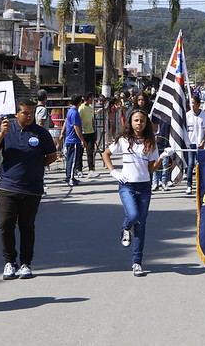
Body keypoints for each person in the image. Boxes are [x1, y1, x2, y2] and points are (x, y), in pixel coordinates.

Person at [0, 99, 57, 280]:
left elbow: (52, 156)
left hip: (32, 189)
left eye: (31, 113)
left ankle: (26, 263)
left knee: (27, 227)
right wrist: (1, 134)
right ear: (16, 114)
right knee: (5, 225)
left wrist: (35, 167)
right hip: (8, 187)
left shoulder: (41, 133)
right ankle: (9, 262)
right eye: (25, 112)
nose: (29, 116)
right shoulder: (6, 130)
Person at [102, 108, 162, 277]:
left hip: (144, 187)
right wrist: (113, 171)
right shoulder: (123, 139)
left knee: (141, 226)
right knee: (133, 215)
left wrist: (161, 159)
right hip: (127, 185)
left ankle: (137, 262)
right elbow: (106, 154)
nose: (139, 123)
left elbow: (150, 168)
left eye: (142, 121)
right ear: (130, 122)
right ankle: (125, 228)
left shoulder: (151, 142)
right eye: (136, 120)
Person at [184, 95, 205, 195]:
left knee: (200, 164)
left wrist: (203, 141)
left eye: (193, 102)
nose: (192, 105)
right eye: (190, 103)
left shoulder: (204, 115)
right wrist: (186, 142)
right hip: (191, 143)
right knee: (190, 164)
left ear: (198, 104)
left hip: (200, 143)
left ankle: (201, 184)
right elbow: (185, 130)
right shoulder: (187, 115)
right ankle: (189, 185)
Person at [63, 94, 86, 186]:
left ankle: (69, 176)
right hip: (73, 140)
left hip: (70, 139)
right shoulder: (74, 113)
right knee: (72, 160)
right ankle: (70, 178)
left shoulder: (71, 111)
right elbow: (76, 127)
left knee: (70, 159)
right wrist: (82, 140)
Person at [79, 92, 99, 178]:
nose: (92, 100)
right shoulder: (81, 108)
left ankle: (91, 169)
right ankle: (79, 169)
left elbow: (92, 119)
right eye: (91, 98)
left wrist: (94, 130)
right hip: (82, 133)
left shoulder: (91, 108)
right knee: (80, 153)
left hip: (90, 131)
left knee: (90, 152)